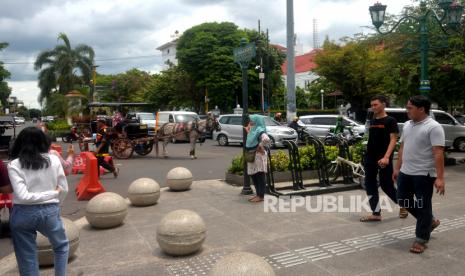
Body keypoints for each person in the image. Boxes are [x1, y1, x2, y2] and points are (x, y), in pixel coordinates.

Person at [7, 127, 69, 275]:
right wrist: (53, 196)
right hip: (50, 211)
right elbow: (63, 189)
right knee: (61, 246)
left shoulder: (14, 164)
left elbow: (23, 196)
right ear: (43, 141)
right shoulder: (53, 160)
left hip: (22, 214)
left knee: (26, 256)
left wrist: (51, 196)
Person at [393, 95, 444, 254]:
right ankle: (430, 220)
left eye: (410, 108)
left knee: (422, 206)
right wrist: (397, 168)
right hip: (406, 172)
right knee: (402, 199)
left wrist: (440, 178)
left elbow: (438, 153)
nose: (407, 110)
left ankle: (421, 239)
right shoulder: (408, 125)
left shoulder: (433, 126)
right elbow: (402, 147)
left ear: (421, 109)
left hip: (424, 174)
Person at [360, 95, 404, 222]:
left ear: (383, 104)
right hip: (370, 157)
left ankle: (404, 205)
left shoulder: (391, 121)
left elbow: (393, 139)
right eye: (372, 105)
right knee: (370, 185)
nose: (373, 107)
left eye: (376, 105)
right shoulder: (372, 120)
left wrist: (386, 157)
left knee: (387, 185)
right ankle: (376, 213)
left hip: (383, 158)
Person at [245, 115, 271, 203]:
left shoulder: (260, 130)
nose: (250, 122)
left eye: (252, 120)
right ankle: (258, 194)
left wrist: (260, 146)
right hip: (252, 155)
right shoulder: (253, 129)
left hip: (258, 156)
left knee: (259, 175)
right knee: (254, 175)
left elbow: (266, 139)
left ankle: (261, 195)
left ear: (256, 121)